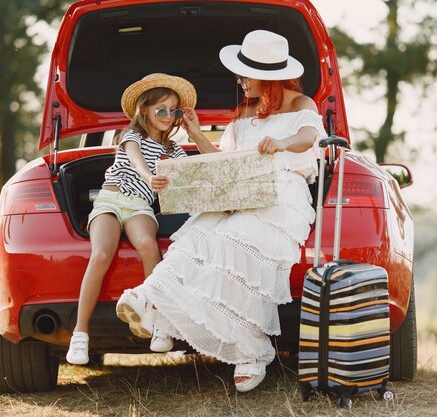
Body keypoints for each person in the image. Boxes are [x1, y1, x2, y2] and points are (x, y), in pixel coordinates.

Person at [116, 30, 328, 391]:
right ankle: (151, 299)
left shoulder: (300, 105)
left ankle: (252, 351)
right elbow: (223, 162)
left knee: (235, 239)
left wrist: (281, 143)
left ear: (269, 76)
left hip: (281, 195)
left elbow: (308, 138)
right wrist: (197, 134)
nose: (240, 80)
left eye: (246, 74)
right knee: (195, 237)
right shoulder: (244, 112)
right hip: (236, 191)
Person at [66, 73, 196, 365]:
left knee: (149, 246)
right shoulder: (130, 136)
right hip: (110, 201)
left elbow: (189, 178)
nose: (167, 115)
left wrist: (195, 131)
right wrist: (150, 176)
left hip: (140, 207)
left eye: (173, 110)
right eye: (161, 109)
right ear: (144, 110)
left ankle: (159, 324)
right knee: (100, 255)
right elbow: (136, 160)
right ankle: (80, 334)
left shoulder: (173, 150)